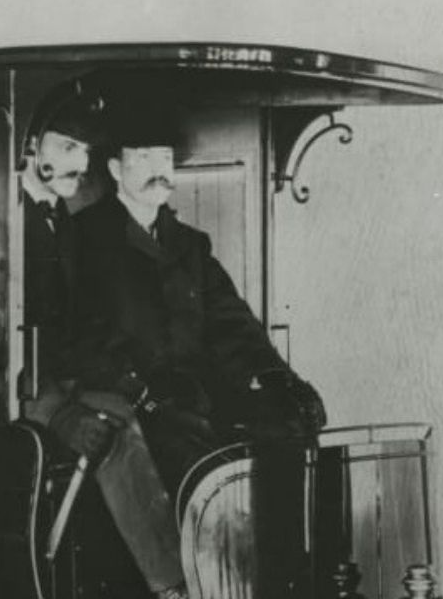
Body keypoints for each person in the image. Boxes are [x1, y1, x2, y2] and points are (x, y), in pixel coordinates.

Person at [66, 99, 328, 498]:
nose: (159, 169)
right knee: (191, 452)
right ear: (116, 169)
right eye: (144, 157)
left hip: (200, 392)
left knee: (290, 424)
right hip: (138, 400)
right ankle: (207, 558)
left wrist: (279, 380)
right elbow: (83, 338)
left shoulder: (188, 244)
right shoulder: (84, 240)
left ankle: (286, 557)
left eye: (166, 157)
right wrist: (143, 394)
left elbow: (233, 323)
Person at [17, 91, 192, 599]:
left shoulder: (58, 221)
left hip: (61, 378)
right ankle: (172, 594)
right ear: (29, 147)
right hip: (19, 389)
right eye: (66, 147)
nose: (78, 163)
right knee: (114, 430)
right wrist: (57, 411)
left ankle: (179, 590)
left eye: (84, 151)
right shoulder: (2, 220)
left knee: (138, 413)